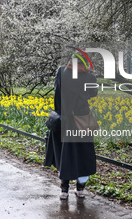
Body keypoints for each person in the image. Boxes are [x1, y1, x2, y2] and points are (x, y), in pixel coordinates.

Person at [45, 54, 98, 200]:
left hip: (64, 119)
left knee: (64, 153)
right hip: (82, 120)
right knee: (84, 154)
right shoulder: (90, 77)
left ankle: (64, 190)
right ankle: (80, 189)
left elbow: (57, 93)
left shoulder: (61, 72)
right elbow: (93, 93)